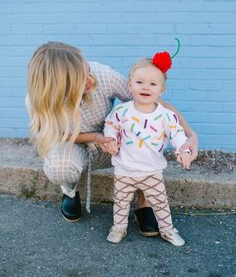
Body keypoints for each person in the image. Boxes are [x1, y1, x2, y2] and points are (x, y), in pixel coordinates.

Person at [26, 41, 198, 236]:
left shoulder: (103, 75)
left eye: (88, 70)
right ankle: (70, 192)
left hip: (114, 143)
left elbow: (151, 105)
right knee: (60, 167)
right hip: (74, 142)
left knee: (144, 134)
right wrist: (95, 137)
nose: (90, 80)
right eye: (81, 81)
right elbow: (55, 135)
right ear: (58, 88)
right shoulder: (39, 101)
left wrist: (191, 135)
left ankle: (144, 202)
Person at [104, 49, 193, 246]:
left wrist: (183, 150)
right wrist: (110, 139)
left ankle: (168, 230)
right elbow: (110, 126)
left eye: (153, 84)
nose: (146, 87)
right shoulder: (121, 111)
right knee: (120, 203)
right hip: (124, 169)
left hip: (152, 170)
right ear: (129, 85)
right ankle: (118, 227)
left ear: (161, 90)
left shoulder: (165, 115)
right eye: (139, 82)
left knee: (160, 203)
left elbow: (177, 134)